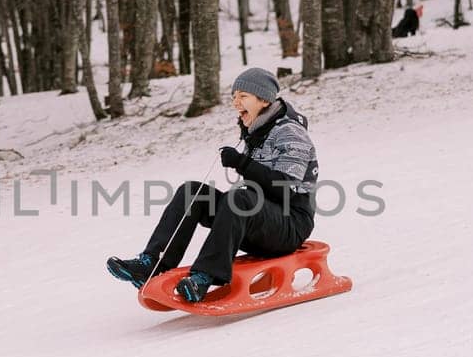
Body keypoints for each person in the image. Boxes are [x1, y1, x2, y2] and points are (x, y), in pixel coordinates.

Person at [107, 68, 317, 303]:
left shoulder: (290, 133)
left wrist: (242, 163)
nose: (236, 103)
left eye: (243, 96)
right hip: (257, 223)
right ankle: (152, 263)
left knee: (240, 198)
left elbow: (285, 188)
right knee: (193, 193)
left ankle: (204, 277)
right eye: (234, 96)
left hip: (290, 227)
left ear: (264, 99)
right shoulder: (257, 130)